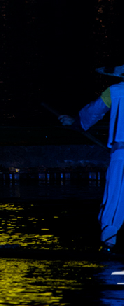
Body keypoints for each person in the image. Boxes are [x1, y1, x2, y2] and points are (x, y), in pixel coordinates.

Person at [59, 65, 124, 252]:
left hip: (122, 155)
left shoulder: (115, 91)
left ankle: (109, 244)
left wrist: (77, 123)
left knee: (115, 199)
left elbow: (93, 112)